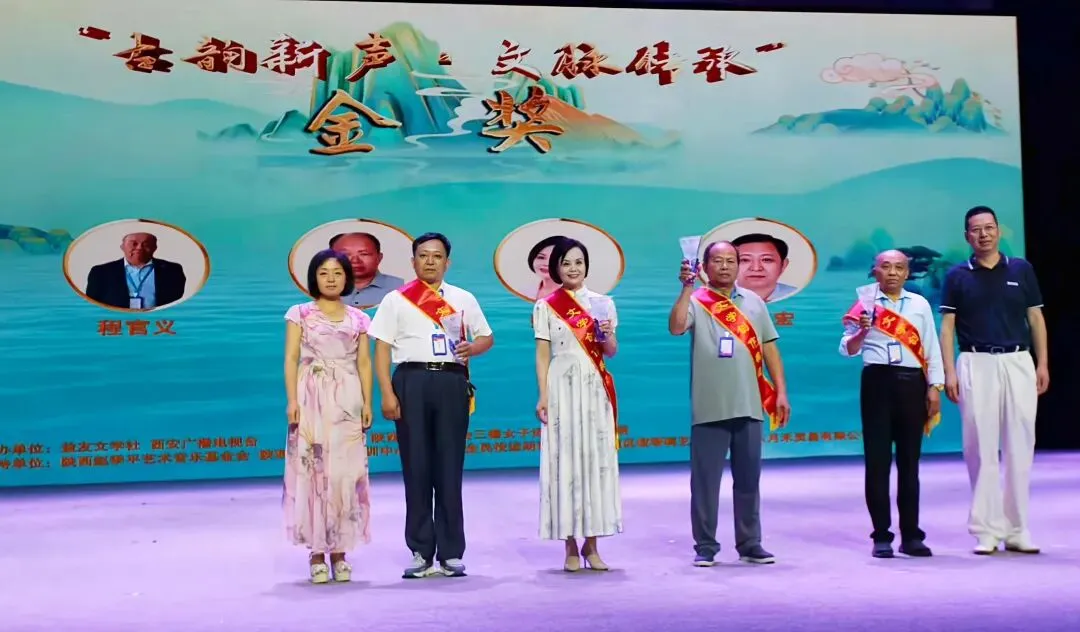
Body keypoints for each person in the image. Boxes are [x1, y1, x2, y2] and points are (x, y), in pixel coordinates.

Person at [367, 232, 495, 578]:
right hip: (411, 382)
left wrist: (474, 348)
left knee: (450, 468)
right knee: (416, 467)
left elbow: (486, 337)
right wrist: (387, 393)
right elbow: (382, 349)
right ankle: (421, 550)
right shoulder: (396, 299)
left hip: (452, 382)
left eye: (437, 256)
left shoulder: (463, 298)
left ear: (447, 262)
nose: (430, 261)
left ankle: (451, 552)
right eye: (423, 255)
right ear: (413, 261)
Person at [667, 241, 791, 567]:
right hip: (709, 407)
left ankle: (750, 544)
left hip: (749, 405)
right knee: (705, 484)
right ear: (705, 266)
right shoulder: (696, 300)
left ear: (738, 265)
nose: (724, 266)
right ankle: (705, 546)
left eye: (731, 261)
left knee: (749, 481)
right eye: (718, 261)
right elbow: (676, 327)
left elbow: (769, 348)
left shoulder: (753, 302)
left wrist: (780, 391)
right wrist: (686, 288)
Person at [939, 206, 1049, 556]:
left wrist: (1042, 364)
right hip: (976, 361)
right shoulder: (957, 275)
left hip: (1018, 361)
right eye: (976, 229)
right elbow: (947, 328)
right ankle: (985, 530)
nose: (983, 234)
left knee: (1020, 444)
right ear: (967, 236)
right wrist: (949, 372)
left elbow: (1036, 318)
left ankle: (1017, 529)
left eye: (989, 228)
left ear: (999, 231)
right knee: (980, 447)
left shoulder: (1021, 269)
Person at [839, 250, 942, 558]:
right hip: (877, 383)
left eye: (899, 267)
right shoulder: (864, 305)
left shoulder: (919, 304)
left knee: (910, 463)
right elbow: (848, 349)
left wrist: (934, 387)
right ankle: (881, 536)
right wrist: (863, 330)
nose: (893, 272)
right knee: (878, 462)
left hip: (912, 383)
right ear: (875, 271)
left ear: (907, 273)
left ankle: (911, 536)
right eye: (886, 267)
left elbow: (931, 347)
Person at [282, 249, 374, 584]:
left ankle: (340, 551)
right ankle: (317, 553)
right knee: (314, 471)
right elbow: (291, 358)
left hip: (348, 398)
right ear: (314, 278)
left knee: (344, 474)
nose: (331, 279)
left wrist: (367, 403)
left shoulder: (359, 318)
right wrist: (292, 400)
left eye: (337, 272)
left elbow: (364, 363)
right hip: (311, 397)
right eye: (324, 273)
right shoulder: (300, 314)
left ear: (347, 278)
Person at [533, 238, 621, 572]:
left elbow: (611, 351)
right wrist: (543, 394)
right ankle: (569, 544)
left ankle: (592, 544)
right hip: (561, 387)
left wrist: (606, 334)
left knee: (595, 462)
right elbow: (543, 355)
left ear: (587, 266)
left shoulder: (603, 303)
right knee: (565, 463)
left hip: (595, 387)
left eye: (579, 262)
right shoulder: (546, 306)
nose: (573, 268)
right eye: (566, 263)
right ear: (557, 268)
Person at [85, 231, 186, 310]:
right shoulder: (101, 272)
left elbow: (177, 304)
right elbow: (92, 306)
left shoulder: (172, 270)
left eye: (146, 244)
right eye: (134, 244)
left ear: (154, 247)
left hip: (157, 323)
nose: (139, 248)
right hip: (116, 324)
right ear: (122, 247)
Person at [328, 232, 405, 308]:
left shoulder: (401, 287)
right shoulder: (321, 290)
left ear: (379, 257)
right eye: (345, 254)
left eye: (364, 254)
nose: (355, 261)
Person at [732, 233, 797, 302]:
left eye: (767, 260)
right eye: (744, 260)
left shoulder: (797, 296)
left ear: (783, 265)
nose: (756, 268)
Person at [528, 235, 567, 300]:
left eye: (555, 259)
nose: (547, 264)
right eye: (541, 257)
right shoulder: (526, 291)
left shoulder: (575, 296)